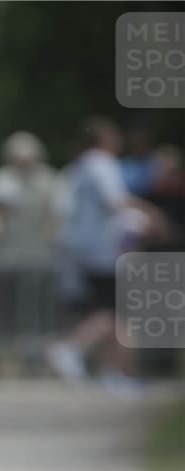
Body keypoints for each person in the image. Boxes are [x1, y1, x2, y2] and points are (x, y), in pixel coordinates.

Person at [48, 117, 155, 393]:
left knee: (110, 312)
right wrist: (152, 215)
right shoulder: (102, 163)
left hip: (83, 250)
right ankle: (74, 348)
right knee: (117, 313)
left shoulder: (78, 167)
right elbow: (115, 201)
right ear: (106, 140)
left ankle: (112, 373)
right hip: (102, 251)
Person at [0, 131, 61, 373]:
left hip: (40, 257)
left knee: (39, 312)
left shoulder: (49, 180)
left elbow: (55, 217)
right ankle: (13, 358)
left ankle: (37, 358)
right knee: (12, 313)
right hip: (7, 258)